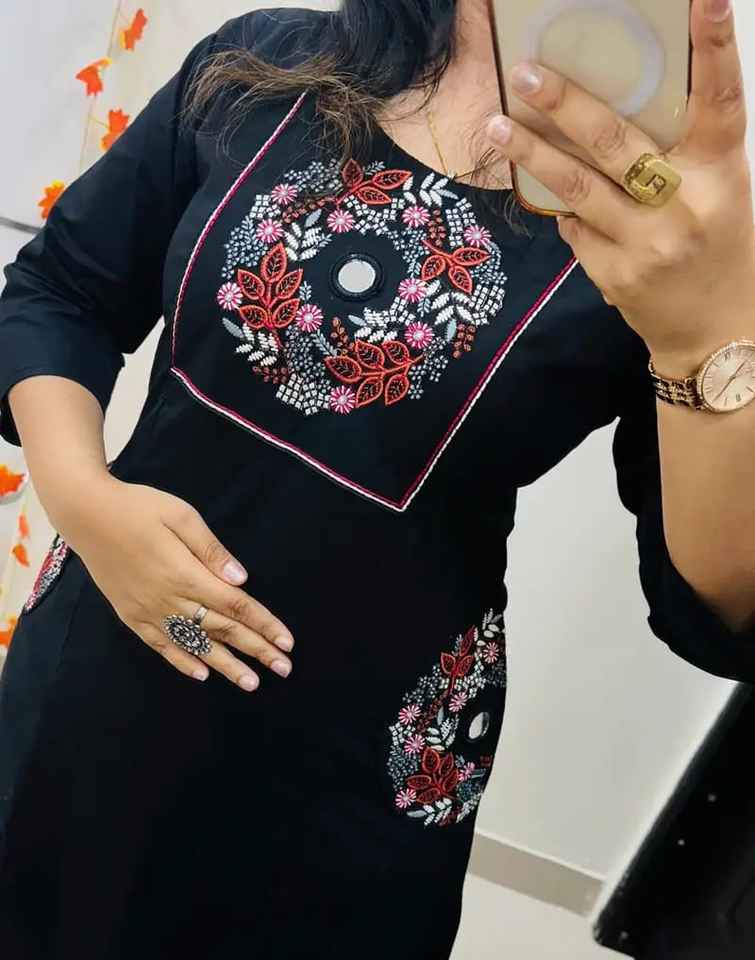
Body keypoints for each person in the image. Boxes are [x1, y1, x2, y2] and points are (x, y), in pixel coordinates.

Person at [1, 1, 754, 957]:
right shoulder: (267, 63)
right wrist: (81, 497)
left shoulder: (668, 220)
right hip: (107, 661)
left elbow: (718, 605)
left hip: (359, 771)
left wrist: (708, 334)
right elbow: (60, 291)